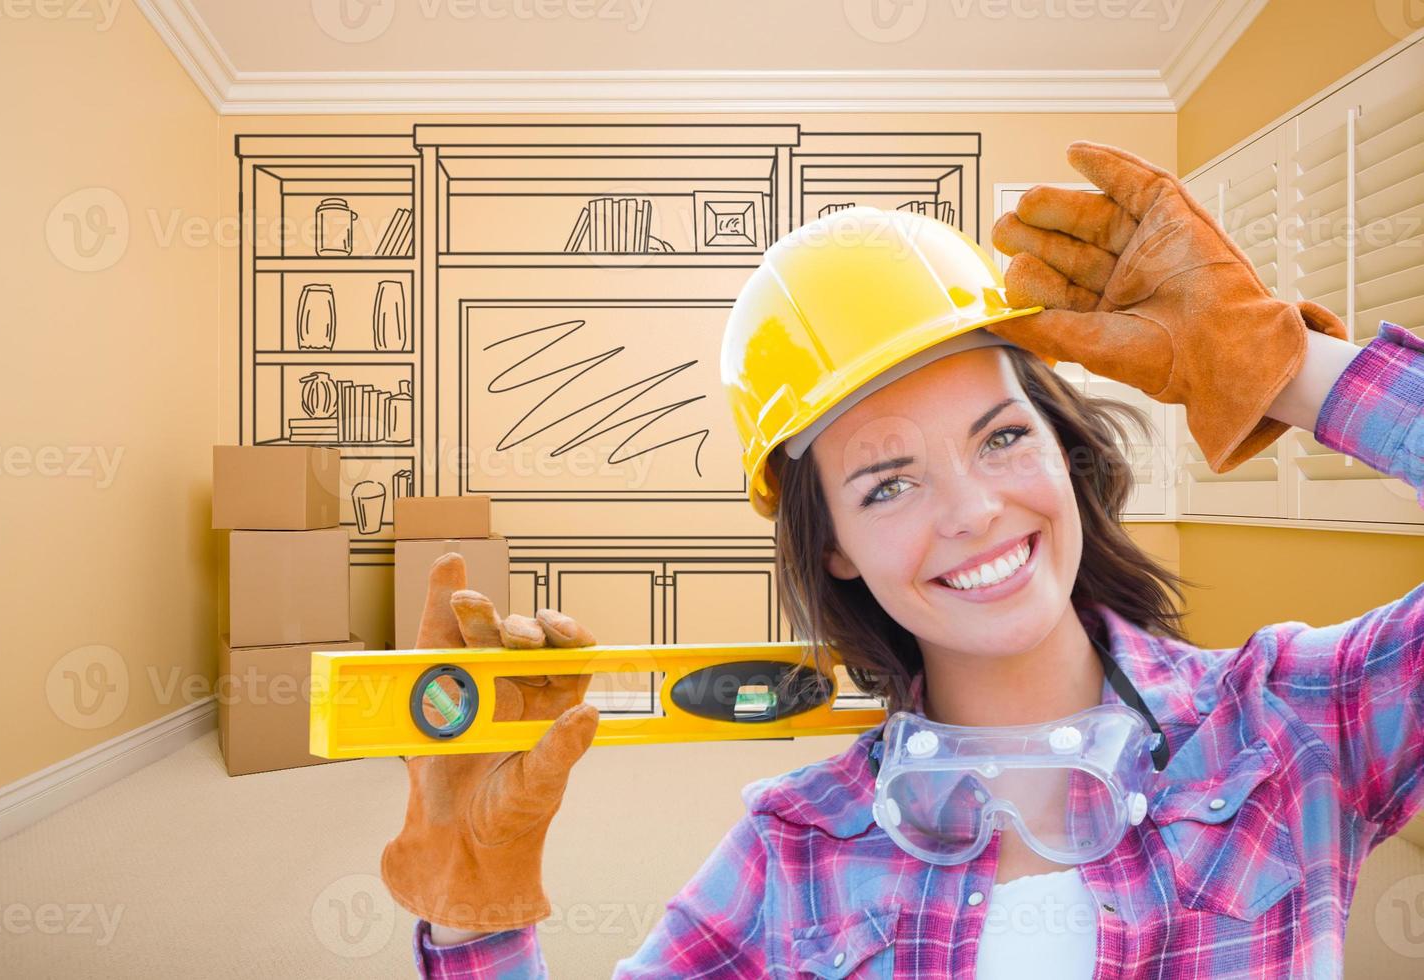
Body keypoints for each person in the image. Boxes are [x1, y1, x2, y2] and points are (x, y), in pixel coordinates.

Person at [395, 141, 1424, 977]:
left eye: (1002, 436)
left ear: (1063, 446)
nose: (974, 510)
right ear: (832, 546)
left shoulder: (1289, 725)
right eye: (887, 482)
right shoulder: (796, 850)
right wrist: (477, 921)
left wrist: (1283, 366)